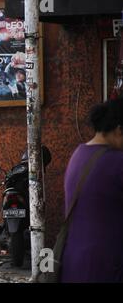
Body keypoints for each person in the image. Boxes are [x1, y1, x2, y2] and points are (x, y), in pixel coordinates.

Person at [61, 98, 123, 283]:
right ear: (119, 130)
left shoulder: (79, 154)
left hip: (74, 261)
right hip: (106, 264)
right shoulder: (116, 162)